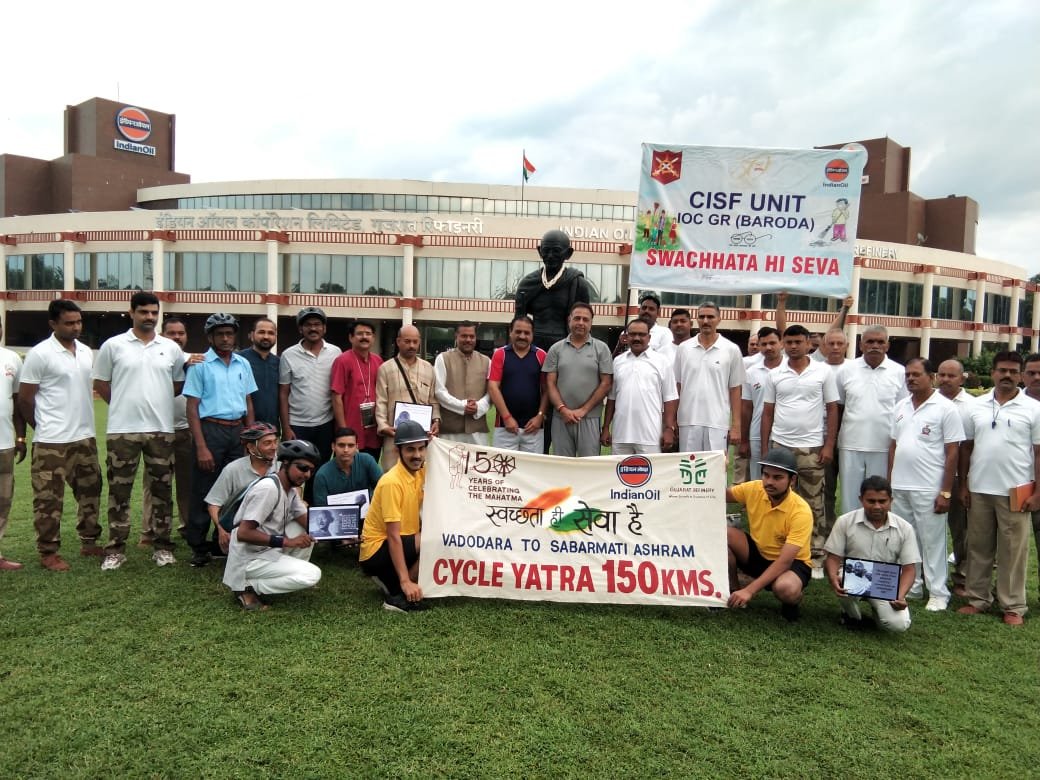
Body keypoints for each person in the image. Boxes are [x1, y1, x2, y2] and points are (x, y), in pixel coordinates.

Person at [92, 291, 186, 570]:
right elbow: (101, 382)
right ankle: (115, 549)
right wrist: (122, 404)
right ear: (131, 312)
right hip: (123, 431)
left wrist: (156, 400)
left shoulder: (170, 348)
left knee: (162, 491)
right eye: (144, 312)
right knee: (119, 492)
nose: (150, 317)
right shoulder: (114, 345)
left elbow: (177, 384)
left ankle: (163, 547)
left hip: (161, 431)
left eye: (154, 312)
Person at [18, 299, 103, 571]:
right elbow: (25, 399)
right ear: (53, 324)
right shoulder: (40, 354)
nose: (76, 327)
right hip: (51, 441)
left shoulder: (86, 351)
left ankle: (89, 542)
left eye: (78, 322)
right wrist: (42, 427)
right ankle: (48, 552)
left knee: (90, 491)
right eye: (69, 323)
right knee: (48, 500)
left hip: (84, 437)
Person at [957, 352, 1040, 626]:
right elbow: (966, 448)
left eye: (1013, 371)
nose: (1007, 375)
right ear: (993, 373)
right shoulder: (976, 406)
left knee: (1013, 551)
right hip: (979, 488)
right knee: (978, 547)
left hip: (1016, 491)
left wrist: (1038, 492)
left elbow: (1039, 453)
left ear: (1021, 375)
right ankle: (977, 599)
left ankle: (1013, 605)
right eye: (1002, 370)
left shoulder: (1033, 408)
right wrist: (963, 484)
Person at [760, 324, 839, 575]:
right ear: (784, 344)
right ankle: (780, 552)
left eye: (798, 342)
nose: (793, 346)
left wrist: (829, 445)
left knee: (813, 502)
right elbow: (768, 412)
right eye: (789, 342)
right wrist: (766, 449)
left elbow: (832, 409)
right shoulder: (775, 374)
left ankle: (815, 555)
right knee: (780, 502)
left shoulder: (823, 372)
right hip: (781, 445)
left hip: (812, 446)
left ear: (808, 343)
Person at [887, 358, 963, 611]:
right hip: (901, 486)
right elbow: (893, 446)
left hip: (929, 486)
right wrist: (890, 483)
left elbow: (953, 452)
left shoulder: (945, 408)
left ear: (931, 377)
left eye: (916, 374)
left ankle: (939, 592)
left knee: (932, 542)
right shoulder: (900, 406)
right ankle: (914, 585)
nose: (910, 379)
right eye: (908, 375)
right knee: (906, 540)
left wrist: (945, 491)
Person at [183, 313, 257, 568]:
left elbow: (248, 401)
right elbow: (192, 407)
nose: (225, 338)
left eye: (229, 333)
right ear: (210, 337)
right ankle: (198, 545)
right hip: (211, 430)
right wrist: (201, 447)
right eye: (220, 334)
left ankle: (222, 541)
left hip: (237, 431)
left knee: (235, 488)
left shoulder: (242, 364)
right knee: (204, 488)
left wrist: (251, 437)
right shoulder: (200, 365)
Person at [222, 439, 322, 610]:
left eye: (311, 470)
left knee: (307, 530)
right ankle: (246, 586)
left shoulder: (289, 489)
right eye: (302, 468)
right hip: (249, 558)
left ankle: (285, 574)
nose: (307, 474)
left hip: (267, 551)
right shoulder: (268, 489)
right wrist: (288, 542)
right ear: (285, 463)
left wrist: (347, 534)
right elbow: (243, 533)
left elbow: (309, 522)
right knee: (312, 575)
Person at [725, 447, 813, 621]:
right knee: (723, 534)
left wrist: (750, 590)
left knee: (786, 588)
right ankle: (734, 590)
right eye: (766, 475)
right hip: (758, 553)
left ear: (792, 480)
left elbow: (785, 561)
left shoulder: (801, 511)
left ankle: (792, 601)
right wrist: (718, 471)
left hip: (791, 564)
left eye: (777, 477)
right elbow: (719, 495)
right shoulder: (754, 488)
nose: (769, 482)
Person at [824, 476, 920, 632]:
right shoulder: (845, 521)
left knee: (899, 624)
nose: (877, 506)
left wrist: (900, 596)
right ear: (861, 499)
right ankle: (851, 616)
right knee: (842, 580)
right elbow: (833, 558)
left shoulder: (905, 528)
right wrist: (833, 577)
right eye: (871, 501)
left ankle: (877, 611)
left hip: (884, 582)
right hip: (851, 577)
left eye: (882, 501)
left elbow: (909, 569)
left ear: (891, 501)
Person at [835, 325, 908, 514]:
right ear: (861, 345)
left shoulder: (899, 372)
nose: (875, 345)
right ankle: (851, 532)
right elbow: (839, 407)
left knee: (879, 499)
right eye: (870, 341)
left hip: (884, 446)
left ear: (887, 346)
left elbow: (903, 411)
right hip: (851, 444)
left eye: (880, 342)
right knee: (850, 500)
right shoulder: (846, 370)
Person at [140, 316, 199, 547]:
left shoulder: (195, 361)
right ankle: (149, 531)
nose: (176, 337)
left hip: (186, 432)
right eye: (171, 333)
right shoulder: (154, 358)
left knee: (187, 484)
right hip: (157, 431)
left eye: (180, 333)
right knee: (153, 484)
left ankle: (187, 527)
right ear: (162, 335)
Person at [359, 420, 429, 613]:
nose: (417, 455)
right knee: (434, 539)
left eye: (421, 448)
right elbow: (393, 535)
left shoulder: (420, 470)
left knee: (439, 537)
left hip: (403, 541)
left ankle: (392, 582)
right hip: (377, 550)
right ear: (398, 451)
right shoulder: (392, 482)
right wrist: (406, 580)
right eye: (410, 449)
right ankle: (400, 589)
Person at [544, 302, 613, 457]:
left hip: (590, 417)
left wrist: (583, 410)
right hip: (561, 418)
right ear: (569, 320)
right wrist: (563, 409)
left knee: (588, 466)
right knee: (562, 465)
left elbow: (606, 383)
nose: (581, 322)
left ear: (591, 323)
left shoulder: (601, 349)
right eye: (577, 318)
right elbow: (550, 383)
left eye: (585, 319)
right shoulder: (556, 349)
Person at [675, 302, 745, 452]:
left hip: (717, 423)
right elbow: (677, 386)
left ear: (719, 319)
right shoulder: (683, 348)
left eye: (710, 317)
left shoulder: (731, 349)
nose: (705, 321)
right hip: (688, 421)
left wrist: (736, 426)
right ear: (697, 319)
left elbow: (735, 390)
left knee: (716, 466)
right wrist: (672, 422)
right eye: (702, 317)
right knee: (689, 466)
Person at [601, 318, 678, 454]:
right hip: (621, 435)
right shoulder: (618, 362)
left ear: (649, 337)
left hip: (650, 436)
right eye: (633, 334)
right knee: (619, 468)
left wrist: (669, 428)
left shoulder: (662, 361)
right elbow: (612, 399)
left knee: (650, 469)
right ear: (627, 337)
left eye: (641, 334)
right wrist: (606, 427)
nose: (637, 338)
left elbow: (670, 398)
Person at [279, 307, 341, 473]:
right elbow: (283, 393)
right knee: (294, 471)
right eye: (308, 325)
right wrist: (286, 428)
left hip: (325, 424)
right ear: (301, 329)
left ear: (324, 328)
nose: (313, 328)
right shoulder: (288, 355)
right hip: (297, 425)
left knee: (320, 470)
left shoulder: (335, 352)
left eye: (317, 324)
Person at [205, 422, 280, 554]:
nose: (274, 447)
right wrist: (221, 530)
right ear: (251, 447)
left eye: (275, 442)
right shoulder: (233, 469)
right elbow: (213, 504)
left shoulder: (282, 466)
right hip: (245, 528)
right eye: (267, 443)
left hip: (275, 523)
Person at [514, 229, 591, 353]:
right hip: (533, 346)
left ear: (568, 253)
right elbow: (518, 322)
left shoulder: (577, 283)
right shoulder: (527, 283)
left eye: (556, 251)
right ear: (540, 251)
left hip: (566, 345)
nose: (550, 256)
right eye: (546, 250)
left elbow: (585, 321)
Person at [375, 324, 439, 468]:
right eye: (407, 341)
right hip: (394, 434)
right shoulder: (386, 368)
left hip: (421, 436)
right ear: (398, 342)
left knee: (421, 473)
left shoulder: (428, 368)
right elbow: (381, 401)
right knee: (393, 472)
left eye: (415, 342)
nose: (412, 345)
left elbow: (433, 399)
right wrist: (383, 426)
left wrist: (436, 420)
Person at [936, 358, 974, 596]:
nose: (945, 380)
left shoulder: (972, 406)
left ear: (962, 378)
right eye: (942, 375)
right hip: (930, 474)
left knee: (961, 530)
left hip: (960, 477)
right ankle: (925, 572)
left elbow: (967, 447)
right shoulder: (927, 400)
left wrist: (964, 484)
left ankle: (963, 577)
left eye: (951, 376)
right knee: (929, 527)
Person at [487, 315, 548, 453]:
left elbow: (547, 390)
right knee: (503, 467)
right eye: (518, 332)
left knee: (531, 466)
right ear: (511, 332)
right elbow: (493, 387)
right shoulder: (500, 354)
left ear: (532, 334)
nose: (522, 336)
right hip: (504, 427)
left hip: (534, 428)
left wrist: (540, 416)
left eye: (527, 333)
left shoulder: (541, 356)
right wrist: (507, 417)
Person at [330, 320, 383, 461]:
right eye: (360, 333)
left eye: (368, 334)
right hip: (351, 428)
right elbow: (336, 396)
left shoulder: (378, 361)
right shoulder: (342, 361)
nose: (364, 337)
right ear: (351, 337)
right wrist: (343, 431)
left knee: (370, 467)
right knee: (347, 469)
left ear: (373, 338)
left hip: (373, 431)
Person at [434, 321, 491, 445]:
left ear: (476, 338)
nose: (468, 340)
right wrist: (462, 406)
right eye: (464, 336)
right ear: (456, 336)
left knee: (478, 458)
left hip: (477, 429)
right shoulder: (443, 358)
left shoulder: (486, 361)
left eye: (471, 336)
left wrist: (479, 407)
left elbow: (491, 392)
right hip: (449, 430)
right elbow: (439, 391)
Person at [739, 327, 783, 482]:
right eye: (764, 344)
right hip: (757, 434)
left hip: (785, 434)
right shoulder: (751, 372)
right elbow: (746, 408)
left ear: (781, 344)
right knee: (759, 479)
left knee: (783, 477)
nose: (768, 347)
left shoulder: (789, 369)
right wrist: (744, 440)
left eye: (772, 343)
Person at [0, 318, 26, 570]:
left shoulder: (11, 359)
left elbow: (18, 402)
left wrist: (20, 437)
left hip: (4, 444)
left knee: (3, 500)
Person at [313, 427, 382, 507]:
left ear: (356, 447)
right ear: (333, 446)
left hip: (369, 511)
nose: (346, 450)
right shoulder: (322, 475)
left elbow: (382, 487)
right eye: (341, 445)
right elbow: (321, 508)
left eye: (351, 445)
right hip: (337, 514)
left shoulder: (367, 460)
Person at [239, 317, 280, 430]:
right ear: (251, 335)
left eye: (271, 333)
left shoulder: (279, 362)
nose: (266, 336)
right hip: (242, 427)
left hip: (272, 428)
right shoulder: (238, 360)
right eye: (261, 332)